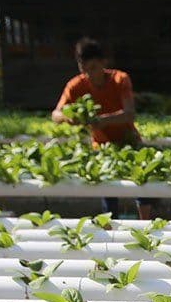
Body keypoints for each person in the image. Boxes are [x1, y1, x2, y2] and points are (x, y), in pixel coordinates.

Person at [52, 38, 153, 219]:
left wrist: (104, 120)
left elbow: (129, 113)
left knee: (141, 187)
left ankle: (145, 227)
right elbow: (55, 115)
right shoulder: (75, 85)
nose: (89, 74)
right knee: (108, 190)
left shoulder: (120, 79)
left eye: (93, 68)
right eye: (84, 69)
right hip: (102, 147)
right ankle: (111, 235)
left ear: (103, 63)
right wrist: (70, 118)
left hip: (129, 141)